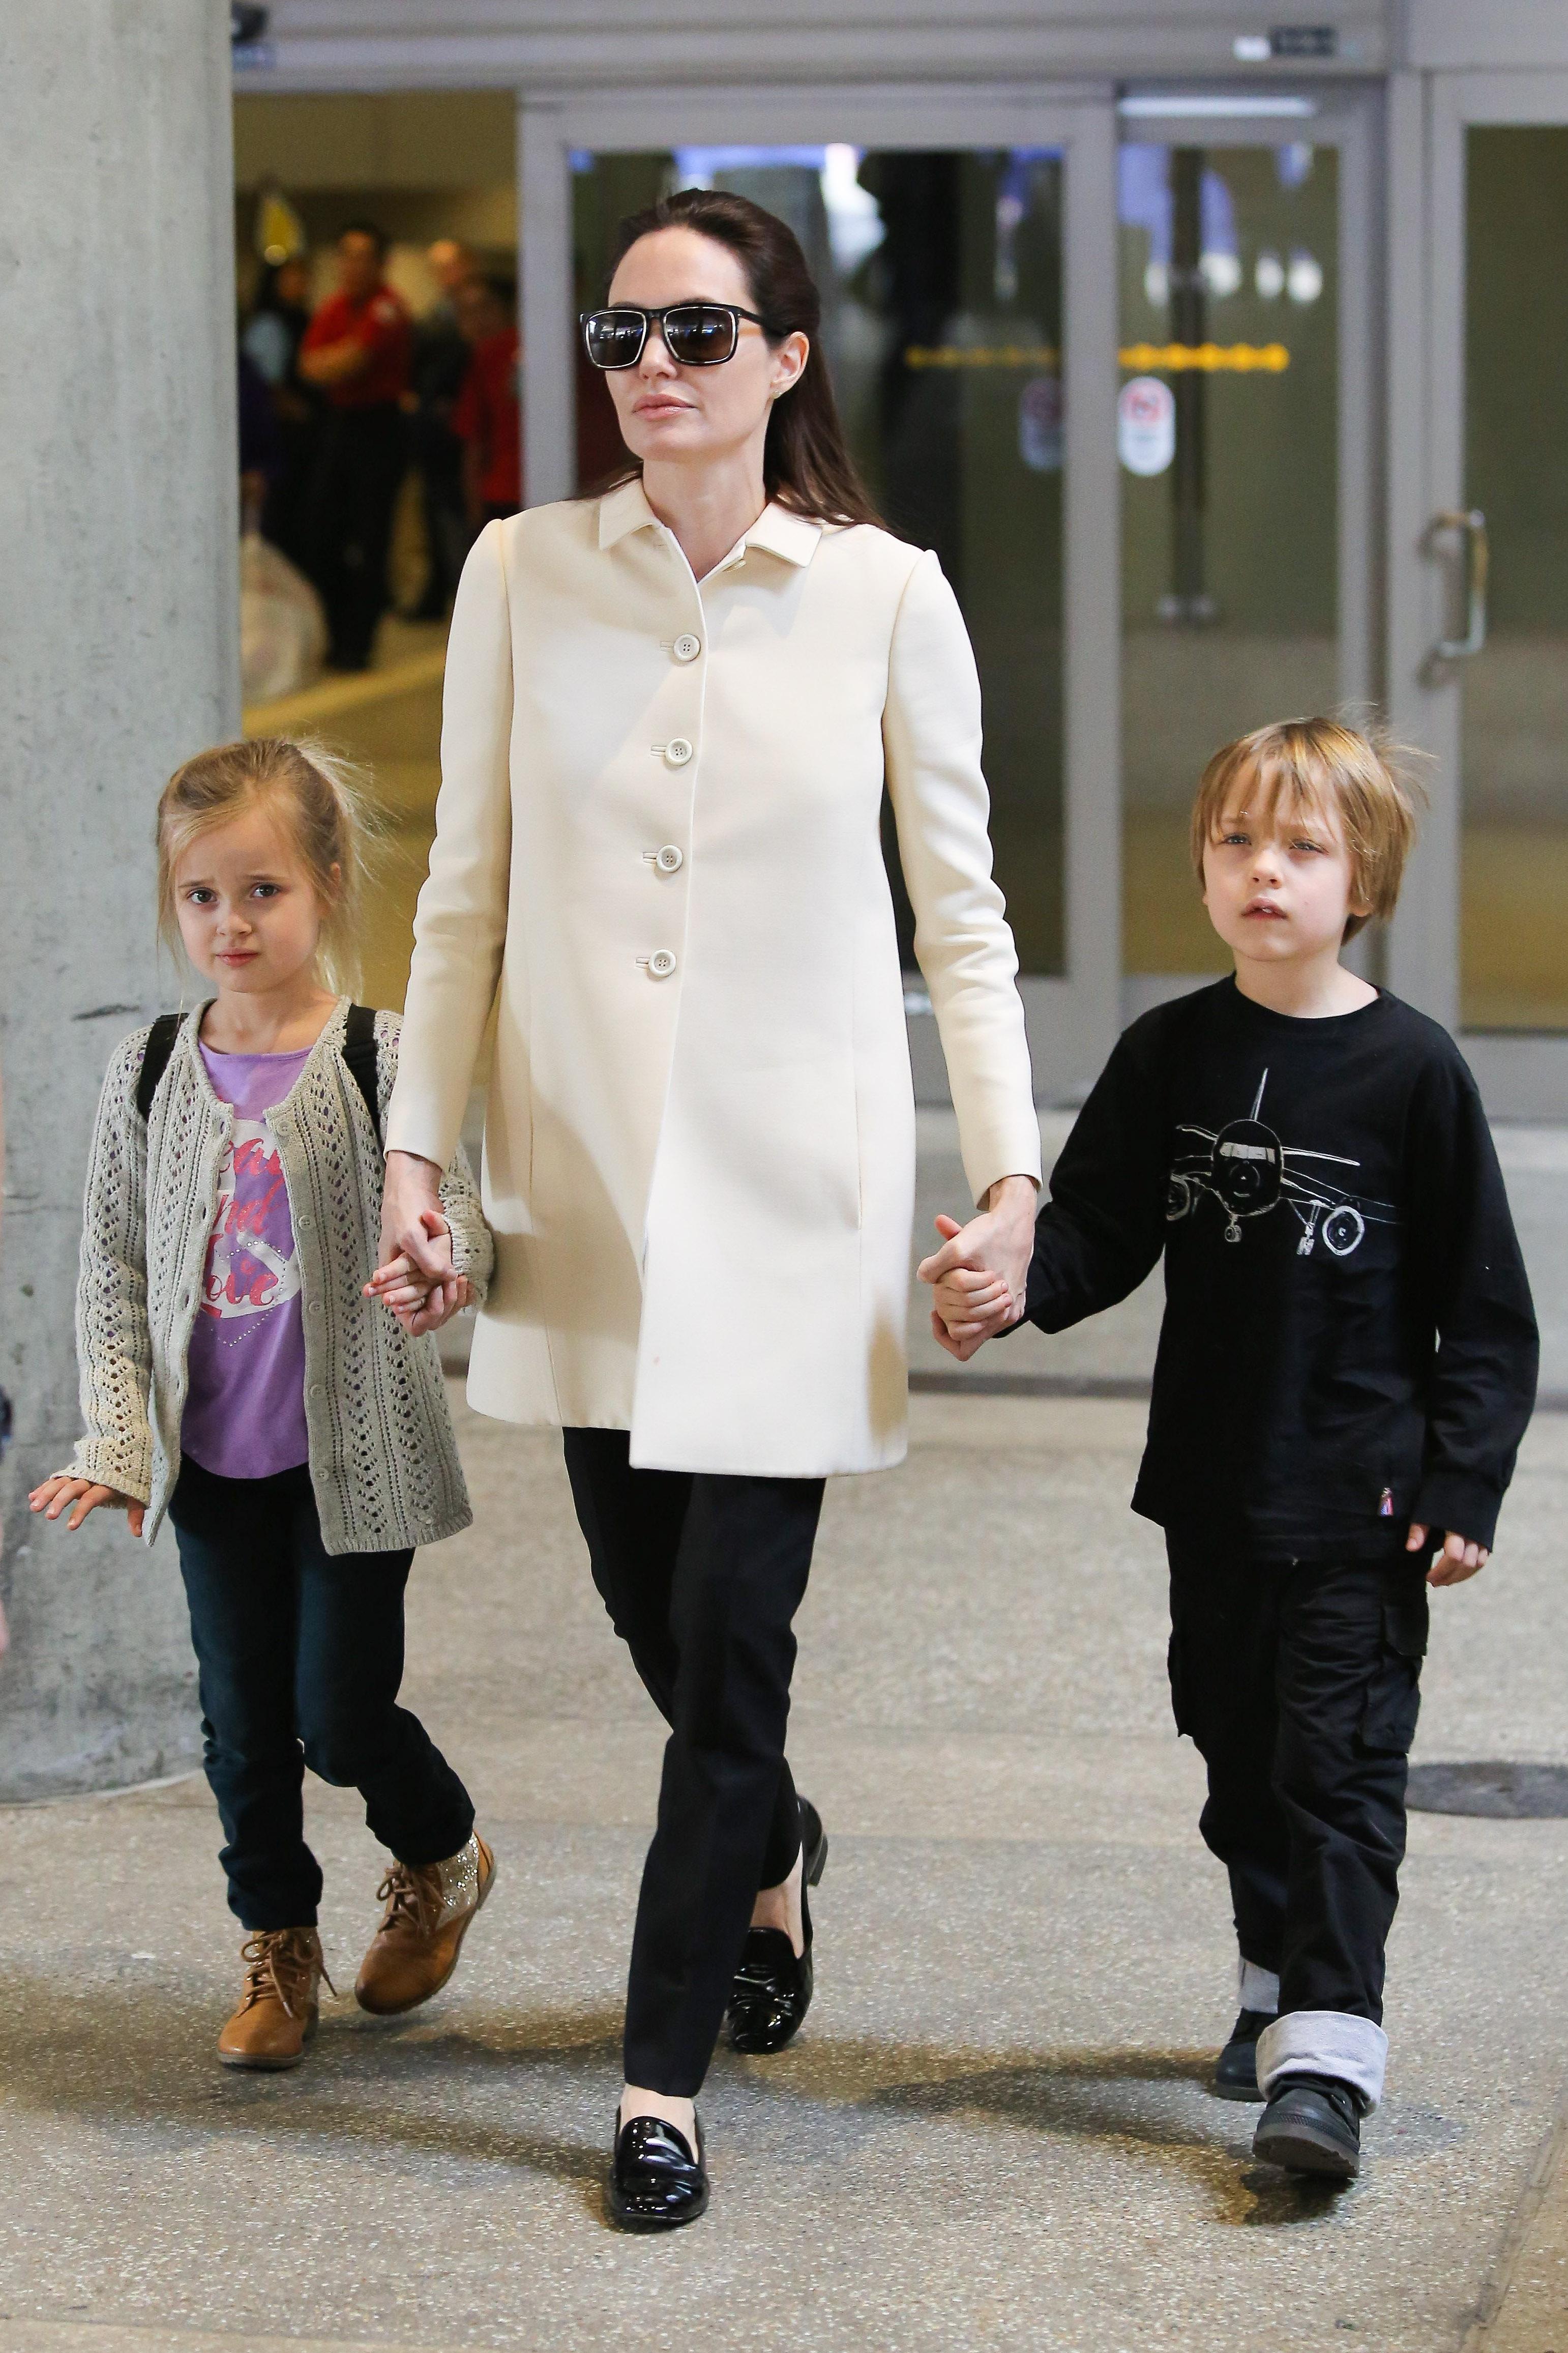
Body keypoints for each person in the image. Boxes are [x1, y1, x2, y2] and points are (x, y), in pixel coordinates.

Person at [366, 187, 1042, 2227]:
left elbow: (961, 917)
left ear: (781, 355)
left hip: (791, 1211)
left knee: (729, 1644)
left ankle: (656, 2086)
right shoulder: (516, 572)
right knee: (656, 1626)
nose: (648, 371)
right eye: (619, 339)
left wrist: (1008, 1177)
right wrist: (420, 1152)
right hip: (573, 1199)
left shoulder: (881, 595)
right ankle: (771, 1839)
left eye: (691, 335)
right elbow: (462, 893)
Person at [924, 718, 1539, 2182]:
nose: (1265, 872)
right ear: (1204, 871)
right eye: (1236, 844)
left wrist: (1461, 1480)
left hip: (1359, 1499)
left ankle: (1325, 2055)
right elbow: (1098, 1234)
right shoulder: (1171, 1053)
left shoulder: (1411, 1075)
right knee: (1231, 1744)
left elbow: (1487, 1308)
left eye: (1301, 848)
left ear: (1363, 879)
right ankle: (1271, 1963)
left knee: (1338, 1764)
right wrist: (1012, 1282)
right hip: (1214, 1487)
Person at [29, 737, 496, 2072]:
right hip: (214, 1470)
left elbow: (454, 1206)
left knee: (340, 1717)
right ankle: (277, 1951)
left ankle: (442, 1852)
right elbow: (111, 1272)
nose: (231, 924)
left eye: (262, 891)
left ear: (328, 885)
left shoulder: (375, 1055)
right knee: (241, 1724)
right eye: (202, 897)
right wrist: (121, 1443)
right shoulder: (147, 1072)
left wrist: (442, 1259)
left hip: (352, 1460)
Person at [298, 223, 413, 670]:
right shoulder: (334, 308)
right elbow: (310, 365)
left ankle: (358, 643)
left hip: (378, 427)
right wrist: (335, 360)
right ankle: (338, 632)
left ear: (381, 263)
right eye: (346, 256)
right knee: (320, 530)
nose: (352, 266)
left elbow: (351, 361)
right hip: (340, 425)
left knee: (370, 539)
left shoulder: (388, 310)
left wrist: (336, 359)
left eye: (362, 256)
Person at [406, 239, 480, 618]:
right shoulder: (435, 317)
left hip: (467, 433)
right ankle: (442, 592)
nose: (445, 277)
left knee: (460, 519)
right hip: (435, 434)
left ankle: (464, 594)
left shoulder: (476, 311)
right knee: (437, 518)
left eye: (451, 267)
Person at [242, 256, 322, 575]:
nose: (300, 285)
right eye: (292, 277)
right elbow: (264, 386)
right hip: (279, 440)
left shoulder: (303, 320)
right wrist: (300, 411)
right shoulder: (270, 325)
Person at [451, 274, 522, 527]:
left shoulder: (490, 354)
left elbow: (474, 444)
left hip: (505, 492)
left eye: (486, 309)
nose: (476, 321)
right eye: (466, 312)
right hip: (504, 489)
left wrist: (474, 515)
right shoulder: (477, 358)